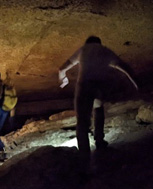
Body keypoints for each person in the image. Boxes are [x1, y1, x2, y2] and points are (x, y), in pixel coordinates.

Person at [58, 36, 139, 165]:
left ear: (87, 43)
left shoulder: (83, 50)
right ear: (99, 43)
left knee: (82, 123)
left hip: (84, 86)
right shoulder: (106, 51)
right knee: (98, 107)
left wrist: (63, 80)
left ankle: (85, 159)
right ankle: (100, 141)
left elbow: (62, 68)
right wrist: (136, 84)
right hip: (99, 87)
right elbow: (125, 67)